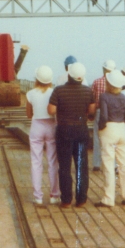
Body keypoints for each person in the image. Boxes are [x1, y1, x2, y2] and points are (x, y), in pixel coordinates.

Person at [49, 62, 95, 207]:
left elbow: (51, 110)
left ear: (69, 75)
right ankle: (81, 199)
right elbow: (92, 111)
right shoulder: (88, 91)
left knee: (64, 166)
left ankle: (66, 200)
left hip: (64, 131)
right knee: (82, 165)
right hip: (81, 130)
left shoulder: (58, 90)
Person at [94, 69, 125, 208]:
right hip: (121, 128)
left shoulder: (104, 96)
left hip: (109, 128)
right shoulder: (123, 97)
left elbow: (103, 116)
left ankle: (108, 198)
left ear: (109, 83)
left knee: (108, 164)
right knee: (124, 164)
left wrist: (100, 128)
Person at [26, 66, 60, 206]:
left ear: (36, 79)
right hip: (51, 125)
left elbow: (29, 114)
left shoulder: (30, 94)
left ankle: (38, 196)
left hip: (36, 127)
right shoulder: (54, 92)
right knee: (52, 162)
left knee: (36, 162)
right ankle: (54, 195)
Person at [91, 60, 114, 173]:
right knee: (111, 138)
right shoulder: (115, 84)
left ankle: (96, 164)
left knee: (97, 137)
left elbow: (93, 100)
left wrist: (91, 113)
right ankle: (113, 165)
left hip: (100, 111)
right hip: (112, 112)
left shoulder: (96, 82)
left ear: (104, 69)